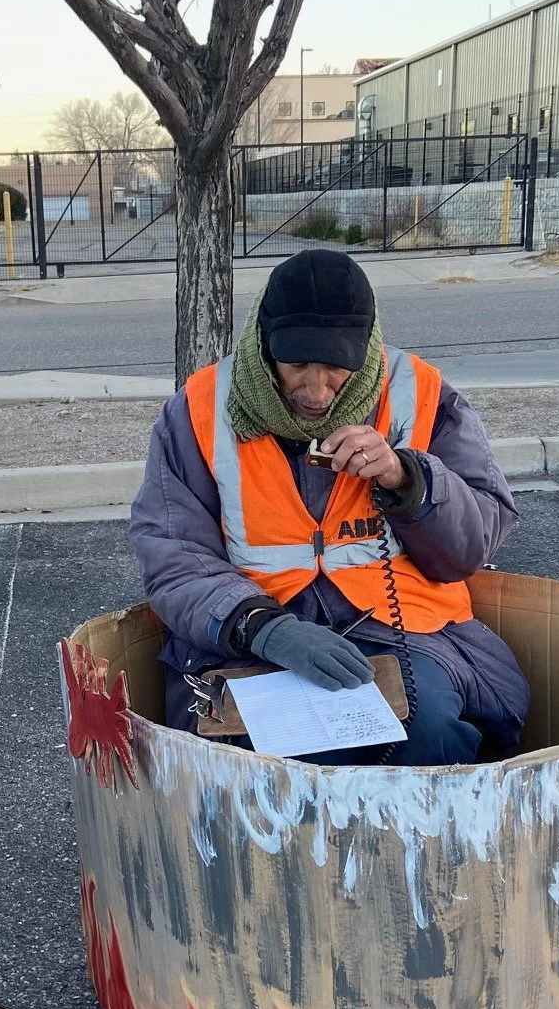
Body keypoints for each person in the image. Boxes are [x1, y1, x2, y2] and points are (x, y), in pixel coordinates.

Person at [129, 249, 530, 767]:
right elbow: (172, 554)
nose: (316, 393)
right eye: (296, 366)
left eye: (337, 368)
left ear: (365, 348)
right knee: (246, 764)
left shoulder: (421, 392)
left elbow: (471, 546)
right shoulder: (199, 407)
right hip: (248, 638)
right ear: (264, 342)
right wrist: (264, 628)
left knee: (429, 734)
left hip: (403, 633)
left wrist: (408, 479)